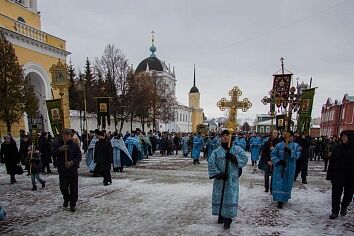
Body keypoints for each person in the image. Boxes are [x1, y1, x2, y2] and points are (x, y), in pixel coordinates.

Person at [208, 129, 248, 229]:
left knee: (230, 198)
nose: (225, 137)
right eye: (223, 135)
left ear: (230, 137)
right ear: (221, 137)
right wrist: (219, 174)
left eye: (227, 135)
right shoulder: (216, 151)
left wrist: (234, 158)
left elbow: (244, 158)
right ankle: (221, 214)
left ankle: (228, 219)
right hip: (220, 180)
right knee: (220, 196)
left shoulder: (237, 149)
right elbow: (211, 163)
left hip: (232, 180)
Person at [51, 129, 82, 212]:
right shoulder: (57, 144)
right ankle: (66, 198)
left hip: (72, 170)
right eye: (65, 135)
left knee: (74, 188)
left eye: (68, 135)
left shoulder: (74, 145)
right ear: (62, 135)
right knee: (63, 187)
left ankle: (73, 204)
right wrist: (60, 149)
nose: (67, 136)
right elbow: (52, 153)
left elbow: (79, 156)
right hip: (62, 169)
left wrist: (72, 162)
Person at [326, 130, 354, 219]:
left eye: (345, 136)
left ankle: (344, 206)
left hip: (350, 176)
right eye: (342, 136)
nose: (343, 138)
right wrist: (329, 174)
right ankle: (335, 211)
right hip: (338, 175)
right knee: (335, 194)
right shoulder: (338, 148)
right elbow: (332, 162)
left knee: (349, 194)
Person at [271, 131, 300, 209]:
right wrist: (279, 161)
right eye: (286, 136)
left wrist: (291, 152)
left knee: (287, 183)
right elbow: (273, 155)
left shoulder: (295, 145)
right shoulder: (279, 145)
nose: (288, 138)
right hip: (279, 168)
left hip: (290, 167)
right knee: (279, 183)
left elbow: (298, 155)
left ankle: (284, 198)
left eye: (289, 136)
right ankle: (279, 200)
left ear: (292, 137)